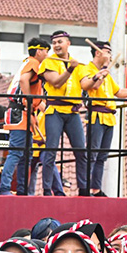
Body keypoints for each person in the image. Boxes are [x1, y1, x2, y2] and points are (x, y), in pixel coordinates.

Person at [77, 41, 127, 197]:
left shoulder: (106, 73)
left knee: (102, 156)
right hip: (96, 116)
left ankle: (96, 188)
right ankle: (85, 187)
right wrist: (103, 72)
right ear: (98, 52)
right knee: (92, 153)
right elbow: (92, 86)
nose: (110, 56)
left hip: (109, 117)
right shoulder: (86, 69)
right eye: (108, 52)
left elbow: (118, 92)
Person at [39, 30, 89, 196]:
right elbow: (56, 82)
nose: (56, 45)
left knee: (81, 150)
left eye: (60, 42)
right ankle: (47, 189)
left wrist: (98, 77)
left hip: (73, 112)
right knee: (51, 150)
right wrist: (69, 70)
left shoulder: (77, 64)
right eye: (54, 43)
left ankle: (84, 188)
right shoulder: (48, 62)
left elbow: (86, 84)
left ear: (68, 43)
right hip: (55, 110)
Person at [0, 38, 49, 196]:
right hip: (20, 112)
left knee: (25, 155)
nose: (48, 55)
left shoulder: (26, 63)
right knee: (16, 152)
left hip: (23, 112)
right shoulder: (33, 63)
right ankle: (5, 187)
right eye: (46, 51)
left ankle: (22, 190)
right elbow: (23, 81)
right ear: (39, 51)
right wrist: (29, 101)